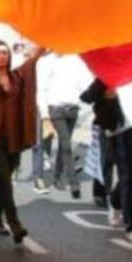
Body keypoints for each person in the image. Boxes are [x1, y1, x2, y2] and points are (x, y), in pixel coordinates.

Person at [0, 31, 42, 244]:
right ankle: (14, 223)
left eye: (5, 52)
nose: (2, 56)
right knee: (5, 179)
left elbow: (35, 56)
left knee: (5, 181)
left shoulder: (17, 76)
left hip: (13, 138)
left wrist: (44, 30)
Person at [81, 74, 132, 245]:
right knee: (128, 177)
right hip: (118, 129)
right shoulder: (111, 70)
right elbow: (87, 96)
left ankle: (115, 201)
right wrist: (106, 93)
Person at [35, 52, 93, 198]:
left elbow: (85, 84)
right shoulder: (45, 61)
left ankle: (57, 177)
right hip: (55, 109)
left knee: (63, 145)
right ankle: (74, 184)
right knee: (66, 145)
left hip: (73, 109)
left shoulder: (77, 60)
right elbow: (41, 90)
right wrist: (44, 115)